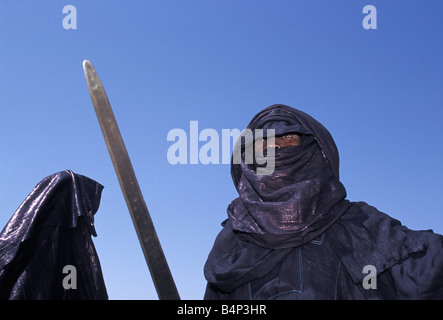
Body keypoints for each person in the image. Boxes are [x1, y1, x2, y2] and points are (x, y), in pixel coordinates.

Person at [204, 104, 443, 300]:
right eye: (260, 143)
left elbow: (429, 269)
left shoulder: (360, 225)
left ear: (315, 151)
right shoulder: (232, 245)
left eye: (287, 136)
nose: (273, 146)